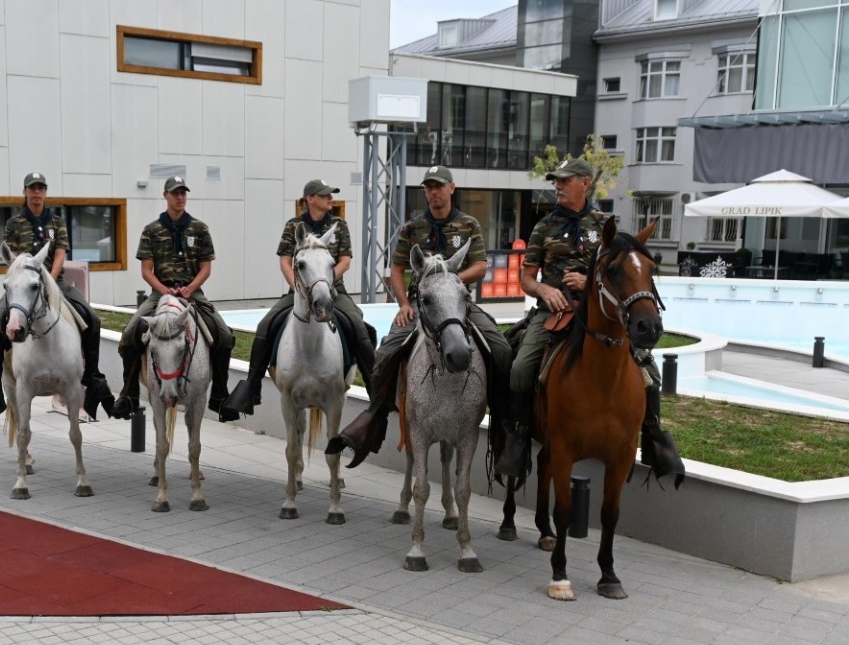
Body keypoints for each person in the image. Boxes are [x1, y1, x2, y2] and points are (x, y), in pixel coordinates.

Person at [501, 158, 685, 486]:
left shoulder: (606, 226)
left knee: (648, 371)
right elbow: (526, 279)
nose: (557, 185)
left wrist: (587, 283)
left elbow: (620, 271)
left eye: (564, 180)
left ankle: (655, 437)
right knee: (519, 367)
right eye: (556, 180)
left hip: (596, 314)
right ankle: (517, 437)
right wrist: (544, 289)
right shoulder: (543, 227)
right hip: (552, 313)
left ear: (584, 183)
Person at [325, 165, 521, 468]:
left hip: (459, 305)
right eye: (429, 187)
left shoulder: (468, 224)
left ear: (452, 189)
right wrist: (403, 303)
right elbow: (397, 269)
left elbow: (481, 266)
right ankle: (374, 418)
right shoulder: (412, 228)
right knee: (386, 353)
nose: (434, 192)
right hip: (420, 307)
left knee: (501, 349)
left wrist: (452, 283)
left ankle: (504, 425)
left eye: (439, 186)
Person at [223, 179, 376, 416]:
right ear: (310, 199)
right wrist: (298, 287)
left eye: (331, 195)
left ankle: (375, 392)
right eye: (325, 195)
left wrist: (323, 283)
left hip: (334, 291)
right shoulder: (294, 225)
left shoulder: (339, 224)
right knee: (265, 326)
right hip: (298, 292)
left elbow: (345, 260)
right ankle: (251, 390)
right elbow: (285, 261)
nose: (330, 199)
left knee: (359, 326)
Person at [0, 172, 116, 420]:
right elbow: (13, 256)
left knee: (92, 318)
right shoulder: (14, 224)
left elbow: (60, 252)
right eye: (32, 188)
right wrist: (29, 278)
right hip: (23, 284)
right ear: (25, 192)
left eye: (40, 188)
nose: (36, 193)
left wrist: (49, 280)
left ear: (45, 192)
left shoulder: (56, 222)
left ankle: (93, 375)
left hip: (55, 281)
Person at [112, 176, 238, 422]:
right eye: (175, 193)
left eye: (183, 193)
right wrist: (164, 290)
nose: (180, 197)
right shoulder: (152, 230)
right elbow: (147, 270)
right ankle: (129, 395)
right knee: (129, 335)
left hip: (193, 293)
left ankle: (220, 397)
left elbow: (205, 267)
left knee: (224, 335)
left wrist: (191, 288)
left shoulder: (200, 229)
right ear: (165, 196)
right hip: (160, 294)